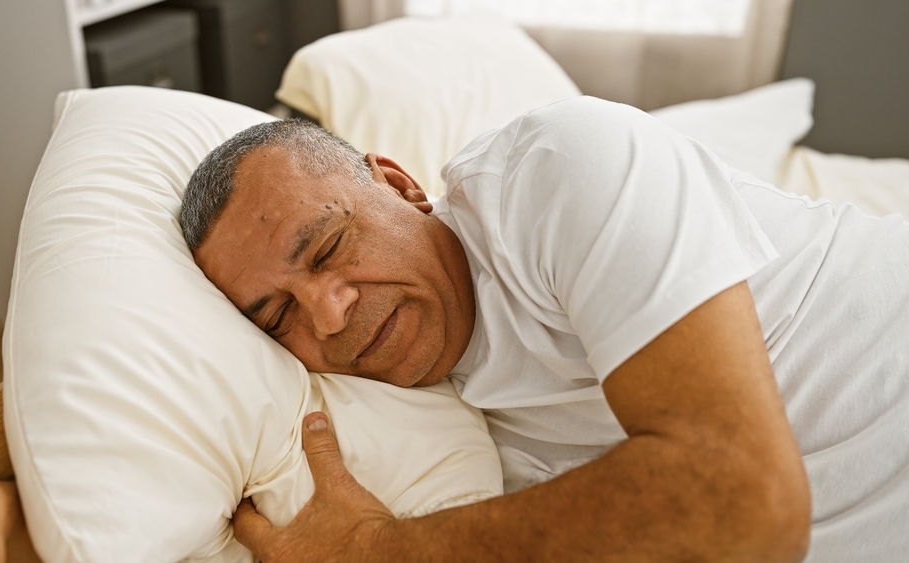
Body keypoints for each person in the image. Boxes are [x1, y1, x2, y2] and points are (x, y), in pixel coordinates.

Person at [182, 96, 909, 562]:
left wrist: (377, 553)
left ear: (400, 186)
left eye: (330, 247)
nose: (329, 315)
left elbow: (744, 499)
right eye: (278, 317)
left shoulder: (556, 171)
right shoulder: (419, 433)